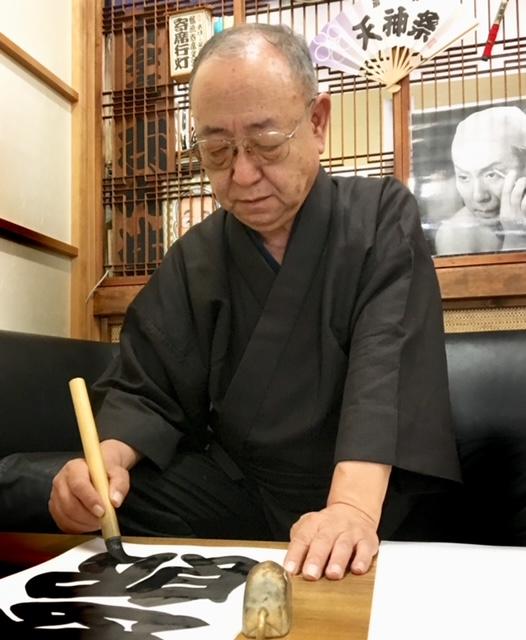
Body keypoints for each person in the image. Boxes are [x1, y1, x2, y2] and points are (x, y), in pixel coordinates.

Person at [3, 24, 460, 581]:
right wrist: (106, 467)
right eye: (217, 150)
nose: (242, 174)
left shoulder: (380, 218)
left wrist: (349, 510)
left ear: (318, 122)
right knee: (43, 486)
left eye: (266, 143)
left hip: (370, 494)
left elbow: (384, 372)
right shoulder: (197, 257)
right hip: (243, 493)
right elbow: (146, 387)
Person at [435, 106, 526, 255]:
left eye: (491, 175)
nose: (478, 196)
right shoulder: (455, 235)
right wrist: (516, 240)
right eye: (464, 177)